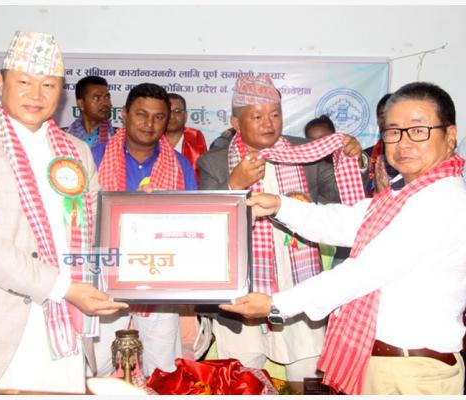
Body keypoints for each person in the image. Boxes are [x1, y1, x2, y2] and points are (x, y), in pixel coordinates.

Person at [222, 81, 466, 395]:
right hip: (387, 365)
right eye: (393, 131)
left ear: (450, 136)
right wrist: (280, 205)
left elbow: (367, 270)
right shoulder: (402, 196)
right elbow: (344, 221)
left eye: (418, 131)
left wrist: (276, 304)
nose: (403, 143)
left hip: (415, 373)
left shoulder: (443, 199)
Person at [0, 31, 127, 394]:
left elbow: (99, 230)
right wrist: (63, 288)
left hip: (65, 328)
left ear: (60, 92)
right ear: (0, 83)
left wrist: (137, 223)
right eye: (24, 82)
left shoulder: (77, 151)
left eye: (48, 84)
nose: (36, 94)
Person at [196, 74, 366, 382]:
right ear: (236, 123)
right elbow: (205, 227)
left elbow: (340, 201)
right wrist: (234, 184)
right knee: (242, 381)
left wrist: (354, 159)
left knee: (306, 379)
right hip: (244, 289)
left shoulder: (307, 152)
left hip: (298, 283)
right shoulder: (214, 162)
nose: (268, 123)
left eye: (275, 115)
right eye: (257, 116)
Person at [92, 83, 197, 377]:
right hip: (103, 279)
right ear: (124, 114)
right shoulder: (92, 157)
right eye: (141, 114)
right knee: (96, 368)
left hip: (160, 280)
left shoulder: (180, 166)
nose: (149, 124)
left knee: (163, 371)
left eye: (158, 117)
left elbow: (192, 224)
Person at [165, 93, 207, 181]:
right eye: (167, 111)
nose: (172, 116)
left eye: (177, 111)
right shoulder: (153, 139)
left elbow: (204, 173)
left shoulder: (195, 136)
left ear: (185, 115)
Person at [364, 93, 399, 195]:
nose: (387, 120)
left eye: (392, 114)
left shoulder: (409, 156)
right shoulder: (365, 156)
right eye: (383, 115)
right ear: (377, 120)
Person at [66, 75, 115, 149]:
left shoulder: (117, 139)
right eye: (96, 98)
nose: (105, 103)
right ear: (81, 104)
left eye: (107, 97)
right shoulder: (65, 137)